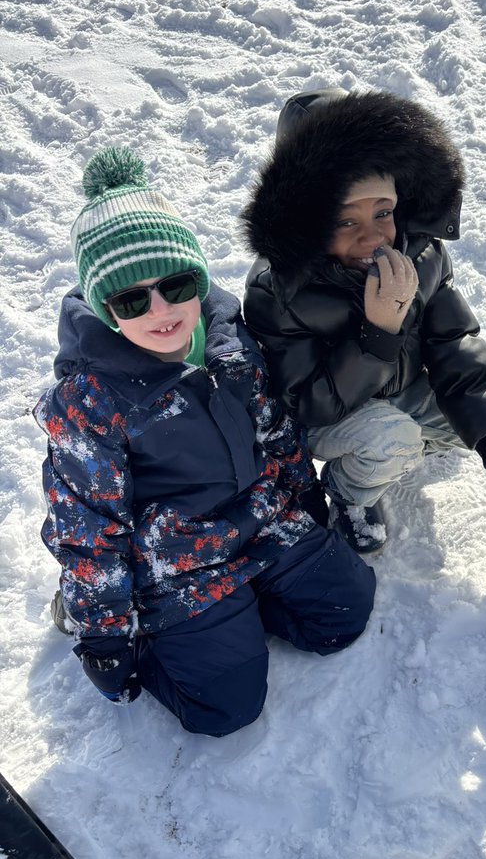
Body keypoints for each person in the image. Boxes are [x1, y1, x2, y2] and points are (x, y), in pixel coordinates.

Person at [35, 148, 375, 737]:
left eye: (176, 284)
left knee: (346, 612)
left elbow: (274, 430)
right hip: (176, 558)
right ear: (103, 308)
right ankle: (155, 629)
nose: (161, 310)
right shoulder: (92, 400)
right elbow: (86, 526)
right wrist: (104, 635)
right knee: (226, 708)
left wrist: (305, 503)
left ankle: (244, 598)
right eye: (131, 299)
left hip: (258, 520)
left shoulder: (226, 341)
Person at [241, 87, 486, 554]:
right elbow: (308, 403)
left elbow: (454, 342)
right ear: (305, 220)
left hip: (397, 389)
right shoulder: (280, 289)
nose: (373, 235)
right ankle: (349, 492)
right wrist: (378, 332)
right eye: (344, 221)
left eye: (383, 212)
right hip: (328, 415)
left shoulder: (419, 253)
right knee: (391, 439)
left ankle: (404, 448)